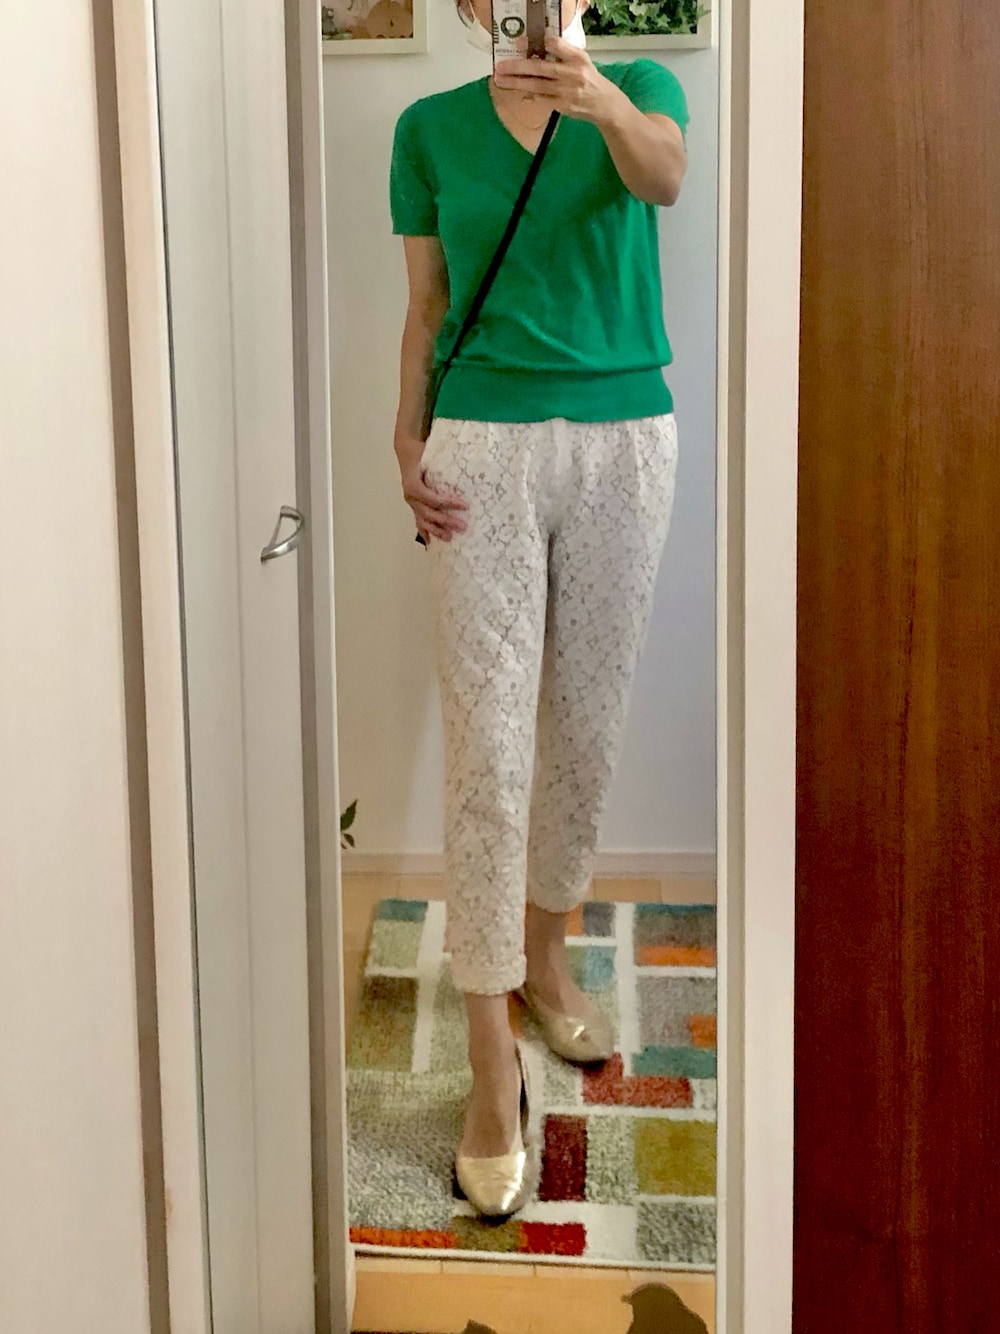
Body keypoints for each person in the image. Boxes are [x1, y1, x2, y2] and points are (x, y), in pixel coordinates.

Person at [389, 0, 688, 1217]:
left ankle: (548, 961)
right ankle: (487, 1058)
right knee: (487, 745)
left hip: (625, 442)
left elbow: (663, 180)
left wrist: (595, 92)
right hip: (480, 444)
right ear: (473, 7)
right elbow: (426, 304)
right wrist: (403, 435)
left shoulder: (646, 91)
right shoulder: (427, 127)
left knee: (586, 721)